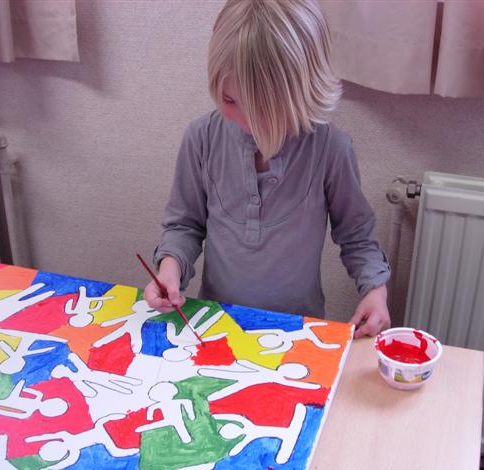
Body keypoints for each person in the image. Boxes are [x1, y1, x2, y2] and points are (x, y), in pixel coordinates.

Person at [145, 0, 390, 338]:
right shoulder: (201, 138)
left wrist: (375, 290)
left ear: (301, 93)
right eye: (229, 100)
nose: (245, 119)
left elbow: (357, 235)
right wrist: (170, 269)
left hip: (295, 332)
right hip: (216, 325)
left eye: (261, 108)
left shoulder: (331, 149)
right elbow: (185, 225)